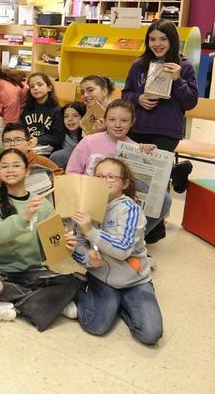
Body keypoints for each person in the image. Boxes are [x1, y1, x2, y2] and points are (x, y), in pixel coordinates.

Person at [0, 149, 85, 331]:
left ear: (27, 171)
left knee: (73, 280)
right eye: (5, 166)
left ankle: (10, 307)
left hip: (32, 270)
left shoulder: (43, 204)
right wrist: (24, 217)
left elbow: (49, 249)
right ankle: (51, 302)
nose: (10, 170)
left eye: (16, 165)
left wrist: (65, 246)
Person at [71, 157, 163, 345]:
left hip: (135, 281)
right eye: (99, 176)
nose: (105, 181)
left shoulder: (130, 209)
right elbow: (76, 245)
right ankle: (79, 290)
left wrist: (91, 231)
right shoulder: (84, 207)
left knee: (150, 334)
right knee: (95, 326)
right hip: (101, 278)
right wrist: (88, 259)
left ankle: (121, 305)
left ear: (125, 183)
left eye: (111, 177)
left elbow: (123, 250)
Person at [66, 99, 170, 243]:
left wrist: (148, 154)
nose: (118, 125)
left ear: (132, 122)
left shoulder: (135, 148)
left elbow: (140, 186)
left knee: (164, 199)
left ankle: (132, 240)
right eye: (112, 119)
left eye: (124, 120)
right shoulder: (89, 142)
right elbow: (71, 173)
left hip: (118, 205)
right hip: (88, 199)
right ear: (105, 121)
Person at [122, 19, 198, 194]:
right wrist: (138, 98)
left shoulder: (184, 67)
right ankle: (175, 171)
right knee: (133, 172)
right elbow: (126, 94)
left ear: (172, 40)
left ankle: (159, 220)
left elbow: (190, 102)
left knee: (156, 176)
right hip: (138, 127)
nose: (157, 44)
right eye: (152, 39)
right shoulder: (139, 65)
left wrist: (178, 79)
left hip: (167, 131)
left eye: (163, 39)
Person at [0, 123, 62, 190]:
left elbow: (62, 179)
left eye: (18, 140)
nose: (12, 144)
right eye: (7, 141)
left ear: (29, 144)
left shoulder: (41, 161)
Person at [21, 73, 64, 153]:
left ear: (49, 88)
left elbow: (58, 137)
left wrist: (38, 140)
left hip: (48, 149)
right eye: (32, 86)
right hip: (29, 145)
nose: (35, 88)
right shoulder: (27, 108)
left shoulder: (57, 110)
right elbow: (22, 129)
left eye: (40, 84)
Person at [49, 102, 85, 168]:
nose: (70, 119)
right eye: (66, 116)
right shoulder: (59, 134)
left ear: (83, 117)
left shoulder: (87, 136)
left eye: (75, 115)